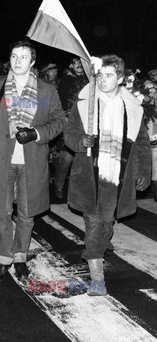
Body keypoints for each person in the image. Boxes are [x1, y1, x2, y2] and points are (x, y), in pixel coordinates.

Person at [64, 55, 151, 296]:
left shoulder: (132, 109)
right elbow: (69, 133)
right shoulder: (84, 104)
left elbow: (142, 143)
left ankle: (99, 244)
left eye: (109, 75)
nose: (103, 80)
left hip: (119, 176)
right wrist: (81, 141)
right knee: (94, 222)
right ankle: (97, 278)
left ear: (121, 79)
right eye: (100, 75)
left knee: (107, 220)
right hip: (90, 175)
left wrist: (143, 171)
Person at [0, 40, 65, 282]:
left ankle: (20, 258)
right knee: (2, 212)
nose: (17, 61)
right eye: (14, 56)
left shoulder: (46, 89)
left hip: (32, 159)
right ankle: (3, 259)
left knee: (27, 215)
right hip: (2, 158)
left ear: (32, 62)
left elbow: (59, 120)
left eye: (23, 57)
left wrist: (36, 133)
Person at [53, 57, 88, 199]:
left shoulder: (90, 81)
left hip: (86, 123)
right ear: (71, 66)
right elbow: (60, 102)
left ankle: (79, 190)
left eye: (81, 63)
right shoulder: (66, 81)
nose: (79, 65)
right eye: (75, 63)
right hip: (70, 122)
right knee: (66, 158)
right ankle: (58, 184)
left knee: (83, 158)